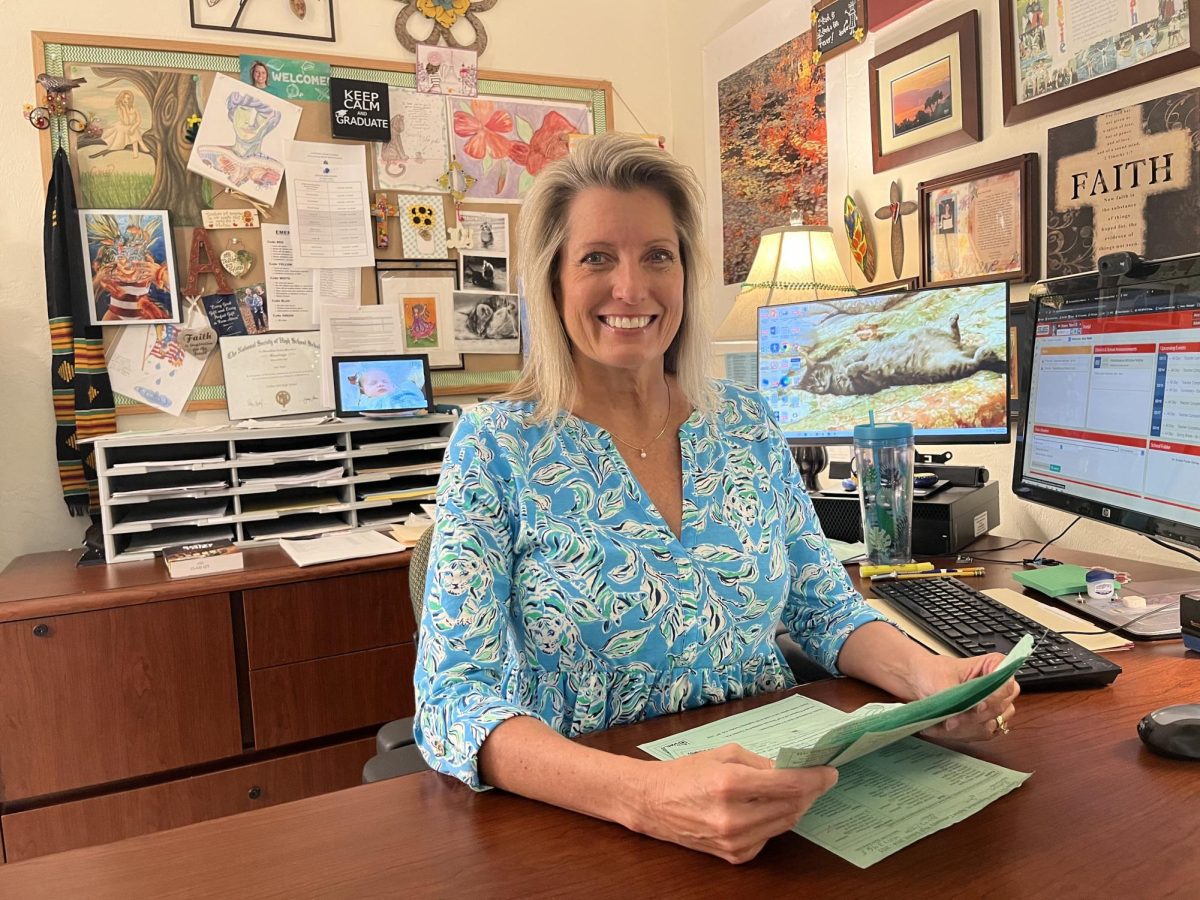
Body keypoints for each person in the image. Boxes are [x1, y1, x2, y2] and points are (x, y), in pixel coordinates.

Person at [413, 133, 1019, 865]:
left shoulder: (746, 423)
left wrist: (933, 683)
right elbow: (453, 700)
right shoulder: (495, 444)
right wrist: (643, 797)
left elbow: (824, 609)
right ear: (552, 280)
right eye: (597, 257)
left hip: (774, 803)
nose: (631, 289)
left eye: (657, 256)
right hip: (588, 822)